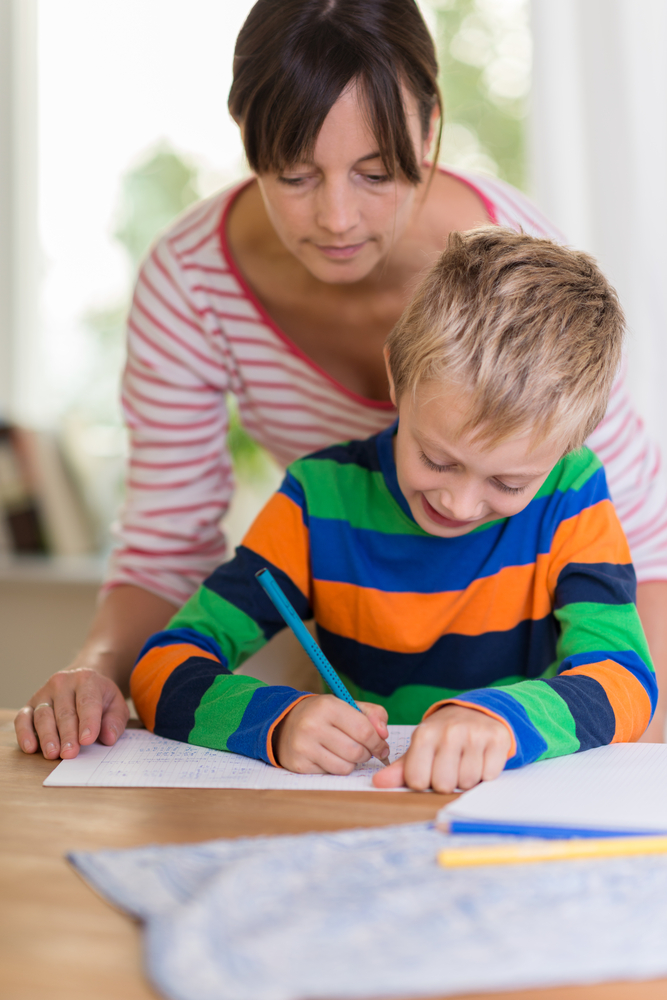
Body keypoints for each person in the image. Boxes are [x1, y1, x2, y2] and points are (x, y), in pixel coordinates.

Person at [15, 0, 667, 760]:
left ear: (429, 131)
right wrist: (105, 673)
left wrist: (628, 756)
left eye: (375, 172)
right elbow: (167, 564)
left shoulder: (533, 303)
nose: (335, 218)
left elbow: (637, 588)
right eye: (294, 173)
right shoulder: (312, 487)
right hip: (350, 672)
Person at [129, 228, 656, 792]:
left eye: (507, 481)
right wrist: (278, 723)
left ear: (568, 445)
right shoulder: (318, 499)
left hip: (511, 808)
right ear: (398, 378)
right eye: (437, 459)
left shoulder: (570, 496)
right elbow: (162, 667)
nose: (459, 503)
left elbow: (626, 681)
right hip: (358, 806)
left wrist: (499, 722)